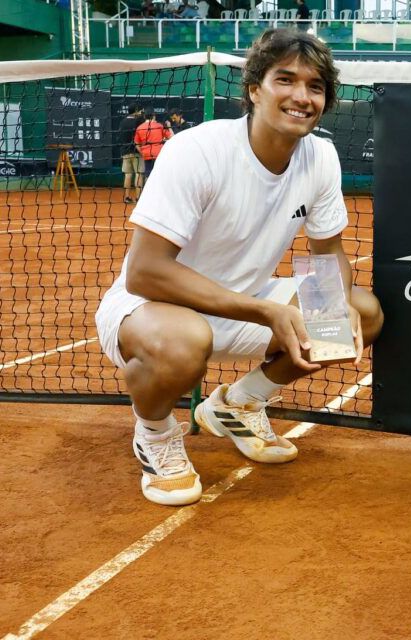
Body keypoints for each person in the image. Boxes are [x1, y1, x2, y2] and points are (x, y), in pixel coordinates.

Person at [95, 28, 384, 507]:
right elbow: (144, 272)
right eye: (285, 80)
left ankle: (238, 404)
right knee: (185, 344)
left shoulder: (321, 157)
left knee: (360, 313)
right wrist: (263, 311)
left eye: (315, 87)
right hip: (152, 310)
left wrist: (332, 304)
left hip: (245, 306)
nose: (301, 96)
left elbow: (328, 251)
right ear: (254, 89)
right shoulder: (197, 150)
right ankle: (156, 435)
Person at [118, 103, 145, 204]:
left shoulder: (122, 122)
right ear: (136, 111)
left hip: (125, 152)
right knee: (139, 174)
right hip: (137, 152)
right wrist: (141, 115)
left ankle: (127, 198)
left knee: (128, 175)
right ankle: (138, 198)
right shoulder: (139, 121)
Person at [134, 111, 172, 181]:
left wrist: (142, 152)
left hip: (147, 154)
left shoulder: (139, 127)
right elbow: (171, 137)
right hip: (158, 154)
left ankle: (148, 191)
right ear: (154, 116)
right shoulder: (159, 126)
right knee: (159, 175)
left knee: (148, 175)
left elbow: (136, 143)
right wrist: (169, 126)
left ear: (145, 117)